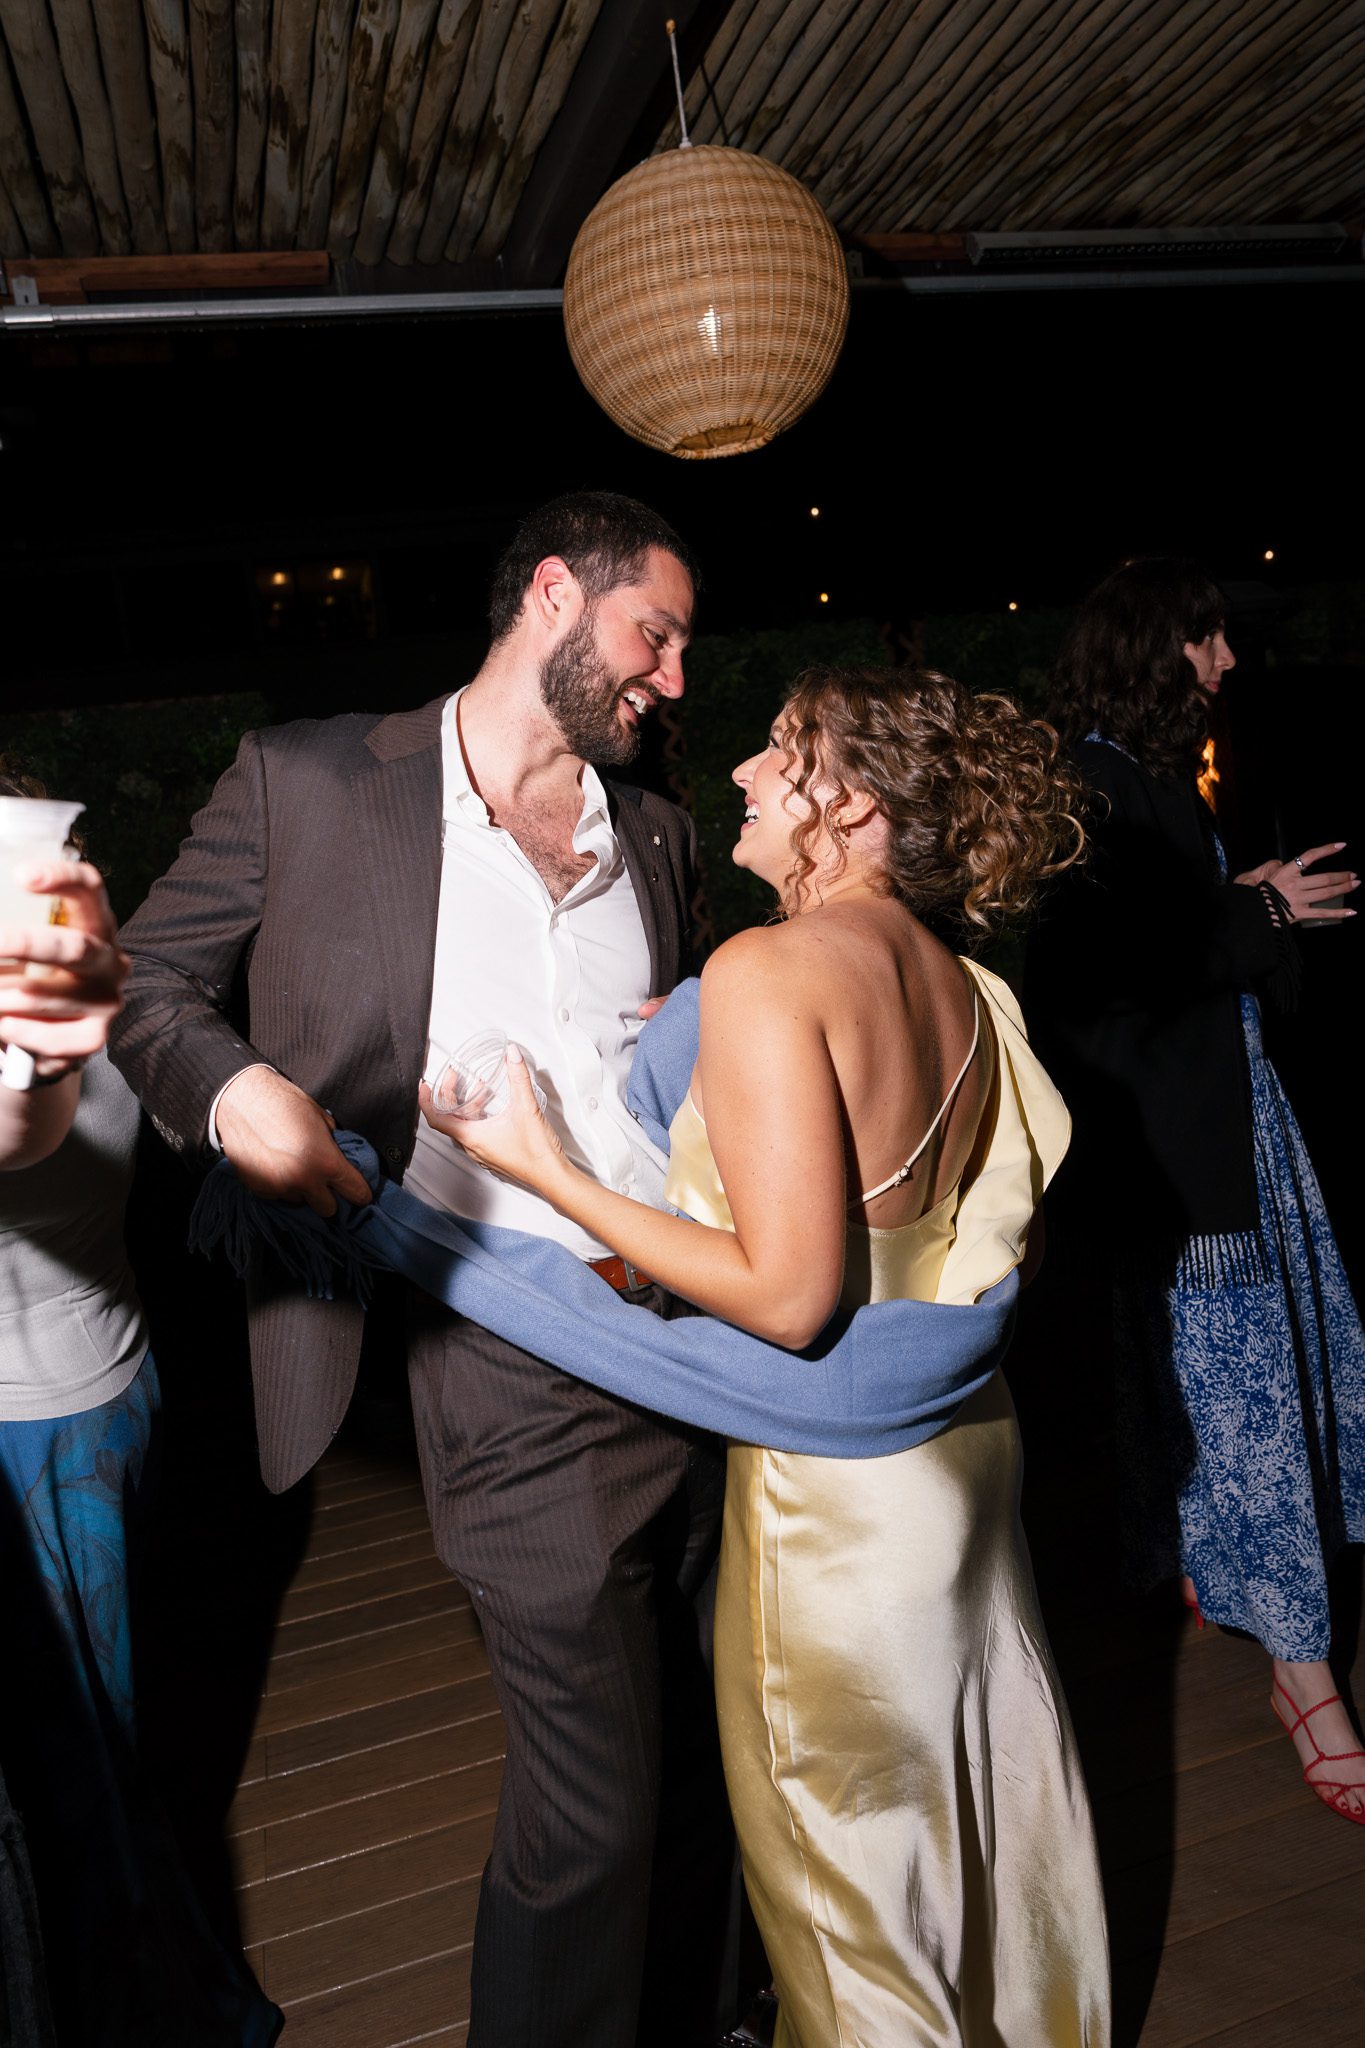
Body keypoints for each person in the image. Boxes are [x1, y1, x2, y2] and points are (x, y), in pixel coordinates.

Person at [107, 492, 731, 2048]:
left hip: (707, 1322)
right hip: (502, 1349)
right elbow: (141, 979)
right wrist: (229, 1089)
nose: (672, 680)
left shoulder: (653, 832)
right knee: (592, 1801)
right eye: (655, 636)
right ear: (550, 599)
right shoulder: (313, 780)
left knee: (705, 1733)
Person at [428, 666, 1112, 2047]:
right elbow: (993, 1239)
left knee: (847, 1904)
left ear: (848, 801)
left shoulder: (768, 972)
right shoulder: (970, 988)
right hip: (965, 1474)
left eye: (780, 752)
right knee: (973, 1850)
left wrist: (546, 1171)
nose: (739, 770)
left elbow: (791, 1301)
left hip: (837, 1520)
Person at [1025, 556, 1364, 1826]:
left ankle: (1247, 1608)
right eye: (1205, 640)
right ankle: (1307, 1683)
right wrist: (1247, 916)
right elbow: (1088, 969)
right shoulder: (1097, 784)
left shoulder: (1150, 777)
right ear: (1149, 646)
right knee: (1252, 1424)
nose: (1225, 662)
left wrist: (1247, 912)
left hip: (1227, 1149)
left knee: (1248, 1412)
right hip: (1177, 1177)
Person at [0, 775, 280, 2045]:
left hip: (38, 1436)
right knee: (103, 1741)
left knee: (79, 1766)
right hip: (121, 1384)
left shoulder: (45, 1027)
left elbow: (22, 1122)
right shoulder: (103, 989)